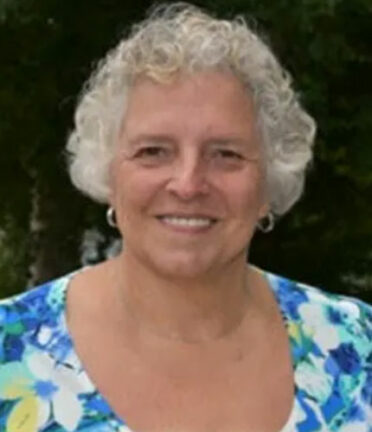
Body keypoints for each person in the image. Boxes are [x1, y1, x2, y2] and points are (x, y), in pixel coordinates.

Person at [0, 3, 370, 432]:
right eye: (153, 151)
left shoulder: (357, 349)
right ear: (108, 174)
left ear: (269, 182)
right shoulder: (10, 353)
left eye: (226, 155)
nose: (189, 184)